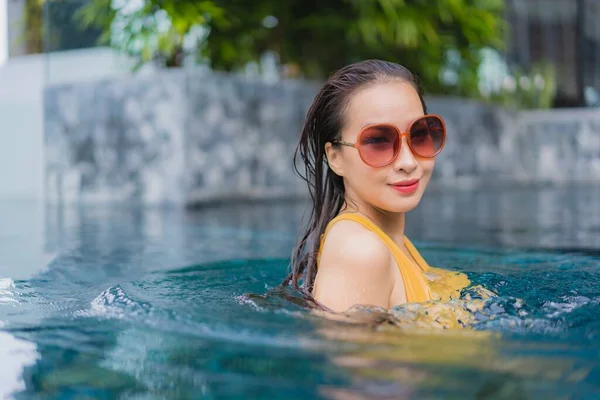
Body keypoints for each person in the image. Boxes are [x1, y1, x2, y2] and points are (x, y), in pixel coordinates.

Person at [281, 59, 473, 313]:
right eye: (378, 142)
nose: (408, 162)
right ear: (335, 157)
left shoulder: (390, 241)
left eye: (419, 134)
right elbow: (350, 352)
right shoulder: (360, 250)